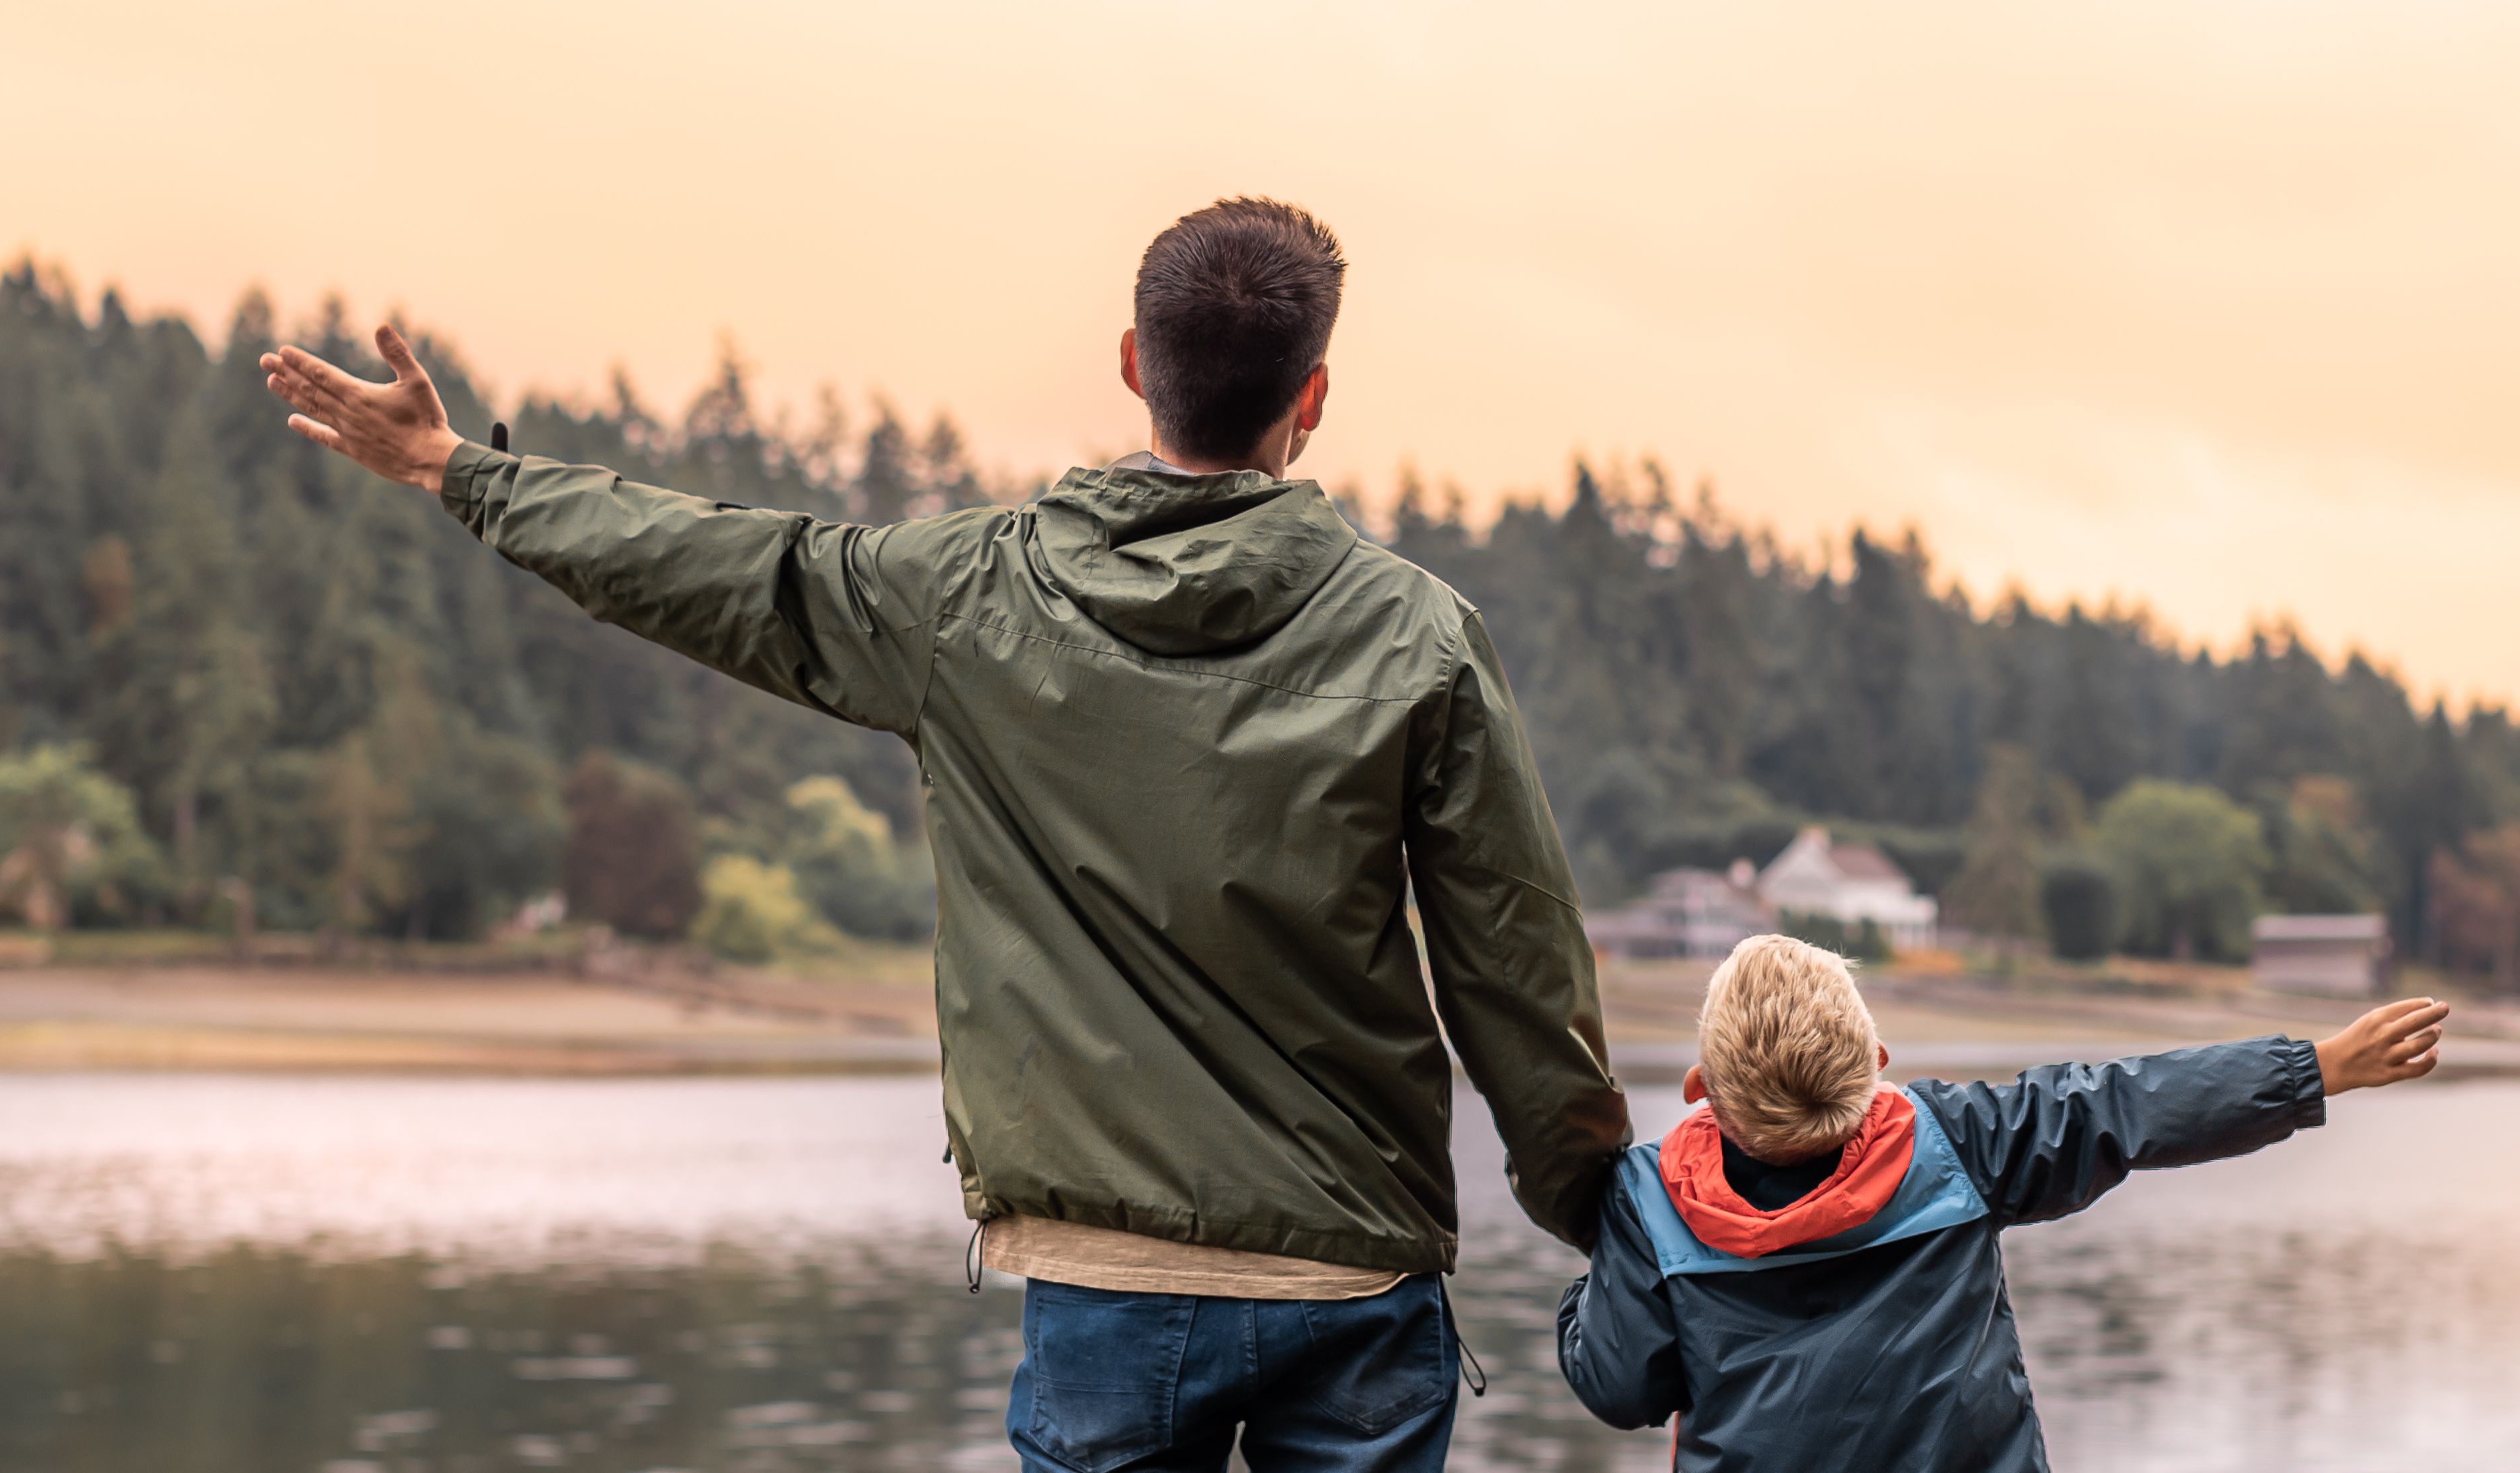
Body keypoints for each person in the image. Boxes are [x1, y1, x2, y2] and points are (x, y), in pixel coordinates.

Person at [260, 198, 1632, 1473]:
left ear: (1130, 366)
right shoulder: (1416, 636)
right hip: (1353, 1285)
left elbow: (707, 563)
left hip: (1108, 1283)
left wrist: (461, 471)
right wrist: (1609, 1225)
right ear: (1312, 394)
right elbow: (1512, 968)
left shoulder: (964, 598)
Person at [1556, 935, 2449, 1472]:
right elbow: (2126, 1106)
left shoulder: (1649, 1202)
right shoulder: (1955, 1143)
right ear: (1876, 1065)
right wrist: (2316, 1069)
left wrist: (1587, 1298)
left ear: (1697, 1087)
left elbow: (1623, 1386)